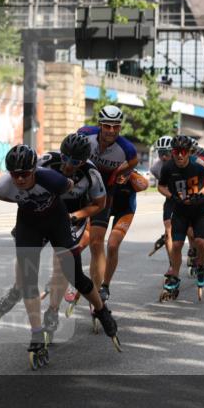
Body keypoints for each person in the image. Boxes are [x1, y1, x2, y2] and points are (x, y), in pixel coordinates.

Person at [0, 143, 120, 368]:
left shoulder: (55, 180)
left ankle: (102, 311)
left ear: (34, 170)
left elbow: (73, 188)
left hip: (57, 223)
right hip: (29, 225)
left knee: (75, 276)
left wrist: (75, 214)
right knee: (29, 280)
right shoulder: (3, 185)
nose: (19, 179)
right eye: (15, 175)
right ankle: (36, 334)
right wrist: (27, 202)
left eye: (24, 174)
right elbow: (4, 195)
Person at [77, 105, 140, 302]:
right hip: (84, 188)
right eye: (107, 126)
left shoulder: (126, 148)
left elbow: (134, 161)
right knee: (73, 239)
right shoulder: (85, 134)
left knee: (97, 243)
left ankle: (98, 289)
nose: (111, 131)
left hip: (104, 192)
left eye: (116, 127)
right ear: (100, 125)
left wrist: (117, 173)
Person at [157, 135, 204, 296]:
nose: (180, 155)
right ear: (173, 152)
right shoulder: (168, 167)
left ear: (189, 152)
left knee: (199, 241)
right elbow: (161, 186)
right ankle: (175, 276)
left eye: (183, 151)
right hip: (180, 210)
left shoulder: (198, 164)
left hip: (199, 210)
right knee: (176, 245)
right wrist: (171, 196)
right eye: (176, 151)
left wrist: (201, 193)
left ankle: (201, 267)